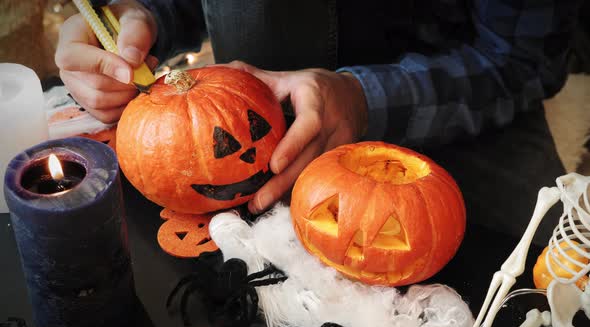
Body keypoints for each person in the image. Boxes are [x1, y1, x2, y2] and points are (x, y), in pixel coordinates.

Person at [56, 0, 581, 244]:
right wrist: (143, 16)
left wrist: (361, 99)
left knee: (550, 281)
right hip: (249, 117)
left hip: (458, 99)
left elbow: (521, 59)